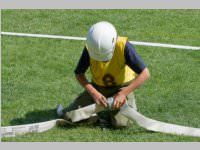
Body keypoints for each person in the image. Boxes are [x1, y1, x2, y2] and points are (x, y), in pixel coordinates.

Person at [57, 21, 150, 128]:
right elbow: (79, 74)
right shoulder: (91, 47)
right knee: (69, 116)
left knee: (121, 124)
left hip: (121, 88)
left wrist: (123, 93)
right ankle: (96, 114)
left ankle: (127, 106)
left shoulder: (124, 47)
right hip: (98, 88)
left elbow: (145, 73)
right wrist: (94, 93)